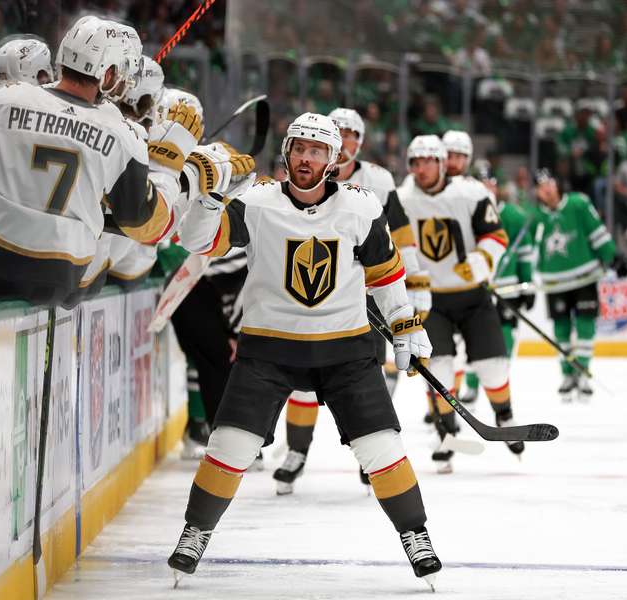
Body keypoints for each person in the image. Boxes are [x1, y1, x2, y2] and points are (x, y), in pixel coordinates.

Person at [168, 113, 442, 588]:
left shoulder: (362, 207)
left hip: (346, 351)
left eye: (317, 151)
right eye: (299, 148)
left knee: (382, 448)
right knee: (229, 445)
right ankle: (196, 531)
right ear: (287, 152)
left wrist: (405, 324)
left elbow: (384, 275)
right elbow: (197, 242)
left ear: (334, 160)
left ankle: (415, 535)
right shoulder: (256, 202)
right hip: (268, 349)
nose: (306, 158)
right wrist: (211, 196)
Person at [0, 16, 210, 306]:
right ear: (107, 74)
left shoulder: (4, 100)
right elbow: (145, 224)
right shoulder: (121, 133)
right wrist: (169, 164)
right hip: (63, 274)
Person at [272, 107, 430, 495]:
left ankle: (370, 457)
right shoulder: (303, 176)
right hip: (318, 289)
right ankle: (296, 452)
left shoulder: (378, 179)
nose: (347, 139)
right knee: (303, 381)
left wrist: (415, 285)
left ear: (357, 141)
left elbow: (401, 233)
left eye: (352, 134)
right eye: (340, 131)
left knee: (365, 375)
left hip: (369, 290)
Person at [396, 131, 521, 473]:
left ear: (441, 164)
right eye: (415, 162)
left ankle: (504, 416)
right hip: (428, 298)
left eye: (427, 161)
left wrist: (480, 261)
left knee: (493, 364)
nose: (421, 169)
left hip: (473, 295)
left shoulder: (471, 193)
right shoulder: (401, 198)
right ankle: (446, 434)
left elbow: (496, 235)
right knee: (439, 370)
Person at [532, 170, 627, 402]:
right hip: (554, 282)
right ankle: (567, 375)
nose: (547, 189)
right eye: (541, 186)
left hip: (585, 278)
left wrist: (612, 257)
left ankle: (583, 372)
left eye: (549, 183)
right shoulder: (535, 217)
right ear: (537, 192)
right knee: (561, 330)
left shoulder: (578, 204)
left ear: (557, 184)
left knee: (586, 325)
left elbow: (597, 233)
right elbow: (530, 252)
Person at [461, 162, 535, 407]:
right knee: (473, 338)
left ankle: (497, 386)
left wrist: (528, 282)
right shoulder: (465, 211)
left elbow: (524, 253)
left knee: (504, 339)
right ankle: (471, 385)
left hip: (506, 287)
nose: (486, 187)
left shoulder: (513, 215)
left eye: (489, 182)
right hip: (476, 286)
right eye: (481, 183)